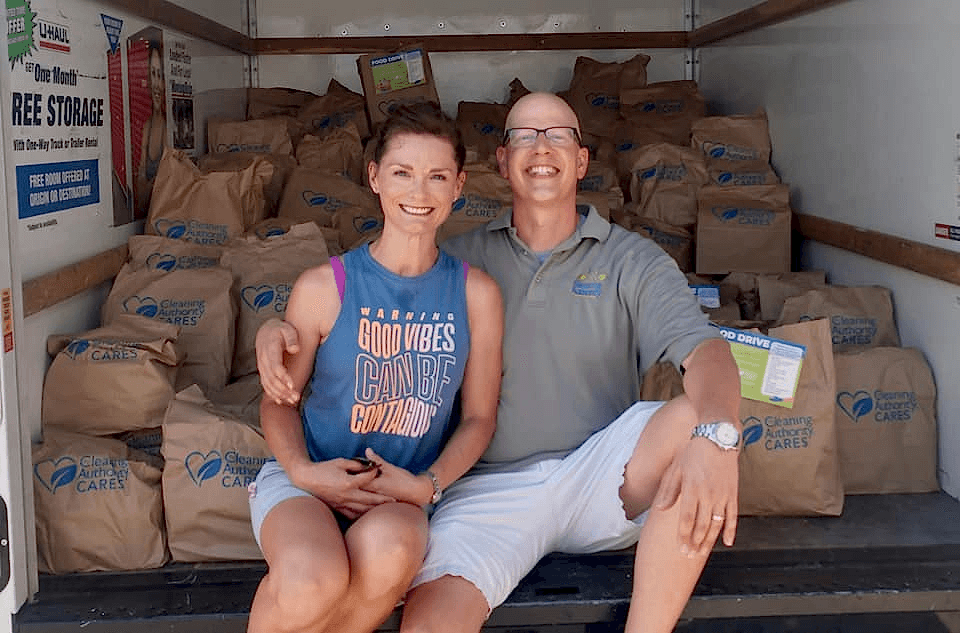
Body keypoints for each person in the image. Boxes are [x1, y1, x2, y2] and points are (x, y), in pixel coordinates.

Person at [256, 92, 741, 633]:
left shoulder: (631, 259)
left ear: (581, 160)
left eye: (557, 134)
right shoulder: (461, 264)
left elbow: (708, 352)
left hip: (598, 477)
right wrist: (273, 332)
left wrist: (719, 436)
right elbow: (347, 313)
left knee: (693, 419)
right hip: (482, 492)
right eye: (525, 137)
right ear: (502, 162)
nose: (541, 147)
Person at [246, 104, 503, 633]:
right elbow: (279, 403)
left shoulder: (475, 294)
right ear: (375, 178)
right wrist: (304, 473)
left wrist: (426, 486)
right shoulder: (324, 286)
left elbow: (479, 418)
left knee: (393, 551)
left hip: (399, 493)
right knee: (310, 579)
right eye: (402, 172)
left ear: (459, 186)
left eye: (437, 176)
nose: (419, 191)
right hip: (310, 478)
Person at [135, 39, 166, 215]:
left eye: (160, 75)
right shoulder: (147, 126)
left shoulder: (166, 127)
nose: (156, 83)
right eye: (153, 74)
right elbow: (140, 172)